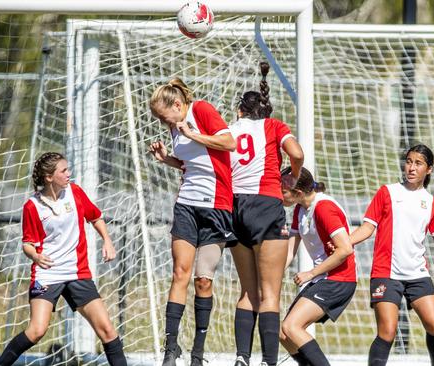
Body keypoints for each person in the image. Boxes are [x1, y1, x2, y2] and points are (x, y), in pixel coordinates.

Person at [351, 144, 434, 366]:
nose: (411, 167)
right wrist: (344, 242)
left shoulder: (432, 203)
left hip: (417, 274)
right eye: (409, 161)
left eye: (418, 163)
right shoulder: (388, 192)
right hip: (386, 273)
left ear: (429, 169)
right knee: (387, 331)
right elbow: (367, 228)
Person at [0, 152, 126, 366]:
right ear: (49, 177)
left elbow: (95, 217)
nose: (69, 174)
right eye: (64, 170)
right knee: (37, 330)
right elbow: (27, 243)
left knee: (107, 330)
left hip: (77, 273)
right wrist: (36, 256)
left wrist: (107, 241)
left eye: (68, 169)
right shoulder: (32, 206)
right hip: (48, 273)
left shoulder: (75, 192)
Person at [147, 78, 236, 366]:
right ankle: (170, 348)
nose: (164, 123)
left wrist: (194, 133)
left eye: (164, 117)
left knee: (202, 280)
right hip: (187, 204)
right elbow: (190, 164)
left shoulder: (201, 111)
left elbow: (228, 142)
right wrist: (166, 159)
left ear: (177, 104)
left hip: (216, 206)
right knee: (179, 273)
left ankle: (198, 352)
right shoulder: (175, 127)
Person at [228, 62, 304, 366]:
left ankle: (241, 357)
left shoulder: (230, 130)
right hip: (266, 205)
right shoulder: (273, 126)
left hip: (235, 207)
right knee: (270, 293)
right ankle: (268, 361)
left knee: (247, 291)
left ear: (240, 111)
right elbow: (296, 154)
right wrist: (294, 176)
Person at [279, 167, 356, 366]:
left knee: (292, 326)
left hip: (339, 279)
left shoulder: (323, 208)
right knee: (283, 333)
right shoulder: (300, 208)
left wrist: (310, 273)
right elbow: (290, 251)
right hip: (322, 279)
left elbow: (345, 249)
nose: (279, 193)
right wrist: (273, 276)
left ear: (298, 193)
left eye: (283, 190)